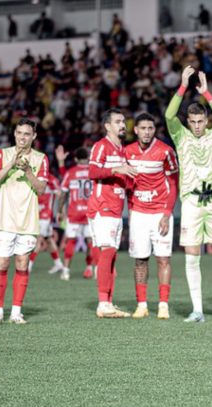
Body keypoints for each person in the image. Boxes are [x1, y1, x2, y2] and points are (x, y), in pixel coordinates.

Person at [165, 66, 212, 323]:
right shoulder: (179, 135)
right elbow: (169, 113)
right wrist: (183, 85)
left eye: (200, 121)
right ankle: (197, 310)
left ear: (206, 120)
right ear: (188, 122)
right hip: (192, 202)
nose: (196, 126)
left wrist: (206, 93)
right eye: (192, 122)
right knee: (192, 254)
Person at [0, 118, 49, 325]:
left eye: (27, 134)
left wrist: (28, 171)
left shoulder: (41, 158)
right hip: (5, 219)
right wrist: (11, 164)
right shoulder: (2, 154)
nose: (23, 137)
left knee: (22, 265)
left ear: (34, 136)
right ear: (14, 134)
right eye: (20, 133)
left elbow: (41, 189)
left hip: (28, 221)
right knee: (2, 263)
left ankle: (16, 312)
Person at [124, 113, 179, 320]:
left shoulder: (165, 151)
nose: (147, 132)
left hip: (159, 214)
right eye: (143, 128)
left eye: (150, 128)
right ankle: (142, 305)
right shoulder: (127, 152)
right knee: (140, 260)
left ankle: (163, 305)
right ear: (135, 130)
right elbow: (127, 184)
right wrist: (131, 211)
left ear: (154, 130)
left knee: (163, 259)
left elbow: (174, 183)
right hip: (138, 213)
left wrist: (166, 213)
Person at [88, 108, 138, 319]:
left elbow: (125, 181)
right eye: (118, 121)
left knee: (112, 255)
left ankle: (108, 302)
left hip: (116, 209)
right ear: (107, 126)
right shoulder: (102, 146)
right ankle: (102, 303)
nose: (122, 125)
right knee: (107, 252)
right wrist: (117, 169)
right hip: (102, 206)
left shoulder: (121, 150)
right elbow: (92, 172)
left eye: (123, 121)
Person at [57, 147, 96, 281]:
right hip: (91, 212)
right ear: (88, 158)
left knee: (71, 241)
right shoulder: (94, 172)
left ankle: (66, 271)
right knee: (91, 242)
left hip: (74, 212)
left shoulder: (71, 172)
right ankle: (90, 268)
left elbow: (63, 193)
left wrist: (59, 210)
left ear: (75, 159)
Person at [29, 172, 64, 274]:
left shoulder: (51, 179)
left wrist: (60, 211)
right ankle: (58, 264)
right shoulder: (33, 176)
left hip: (45, 215)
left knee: (38, 239)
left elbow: (60, 194)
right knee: (48, 240)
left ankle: (29, 265)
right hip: (35, 213)